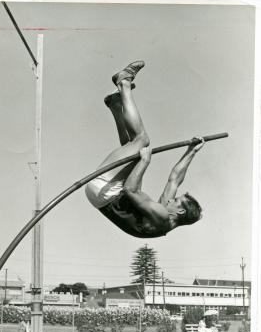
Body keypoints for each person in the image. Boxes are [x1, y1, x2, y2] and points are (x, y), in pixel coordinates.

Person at [85, 61, 205, 238]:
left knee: (142, 140)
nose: (173, 198)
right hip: (106, 195)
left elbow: (130, 190)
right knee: (133, 151)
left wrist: (145, 161)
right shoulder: (166, 212)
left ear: (179, 212)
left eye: (177, 200)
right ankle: (116, 106)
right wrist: (192, 151)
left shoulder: (163, 218)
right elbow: (174, 180)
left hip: (107, 192)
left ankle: (124, 83)